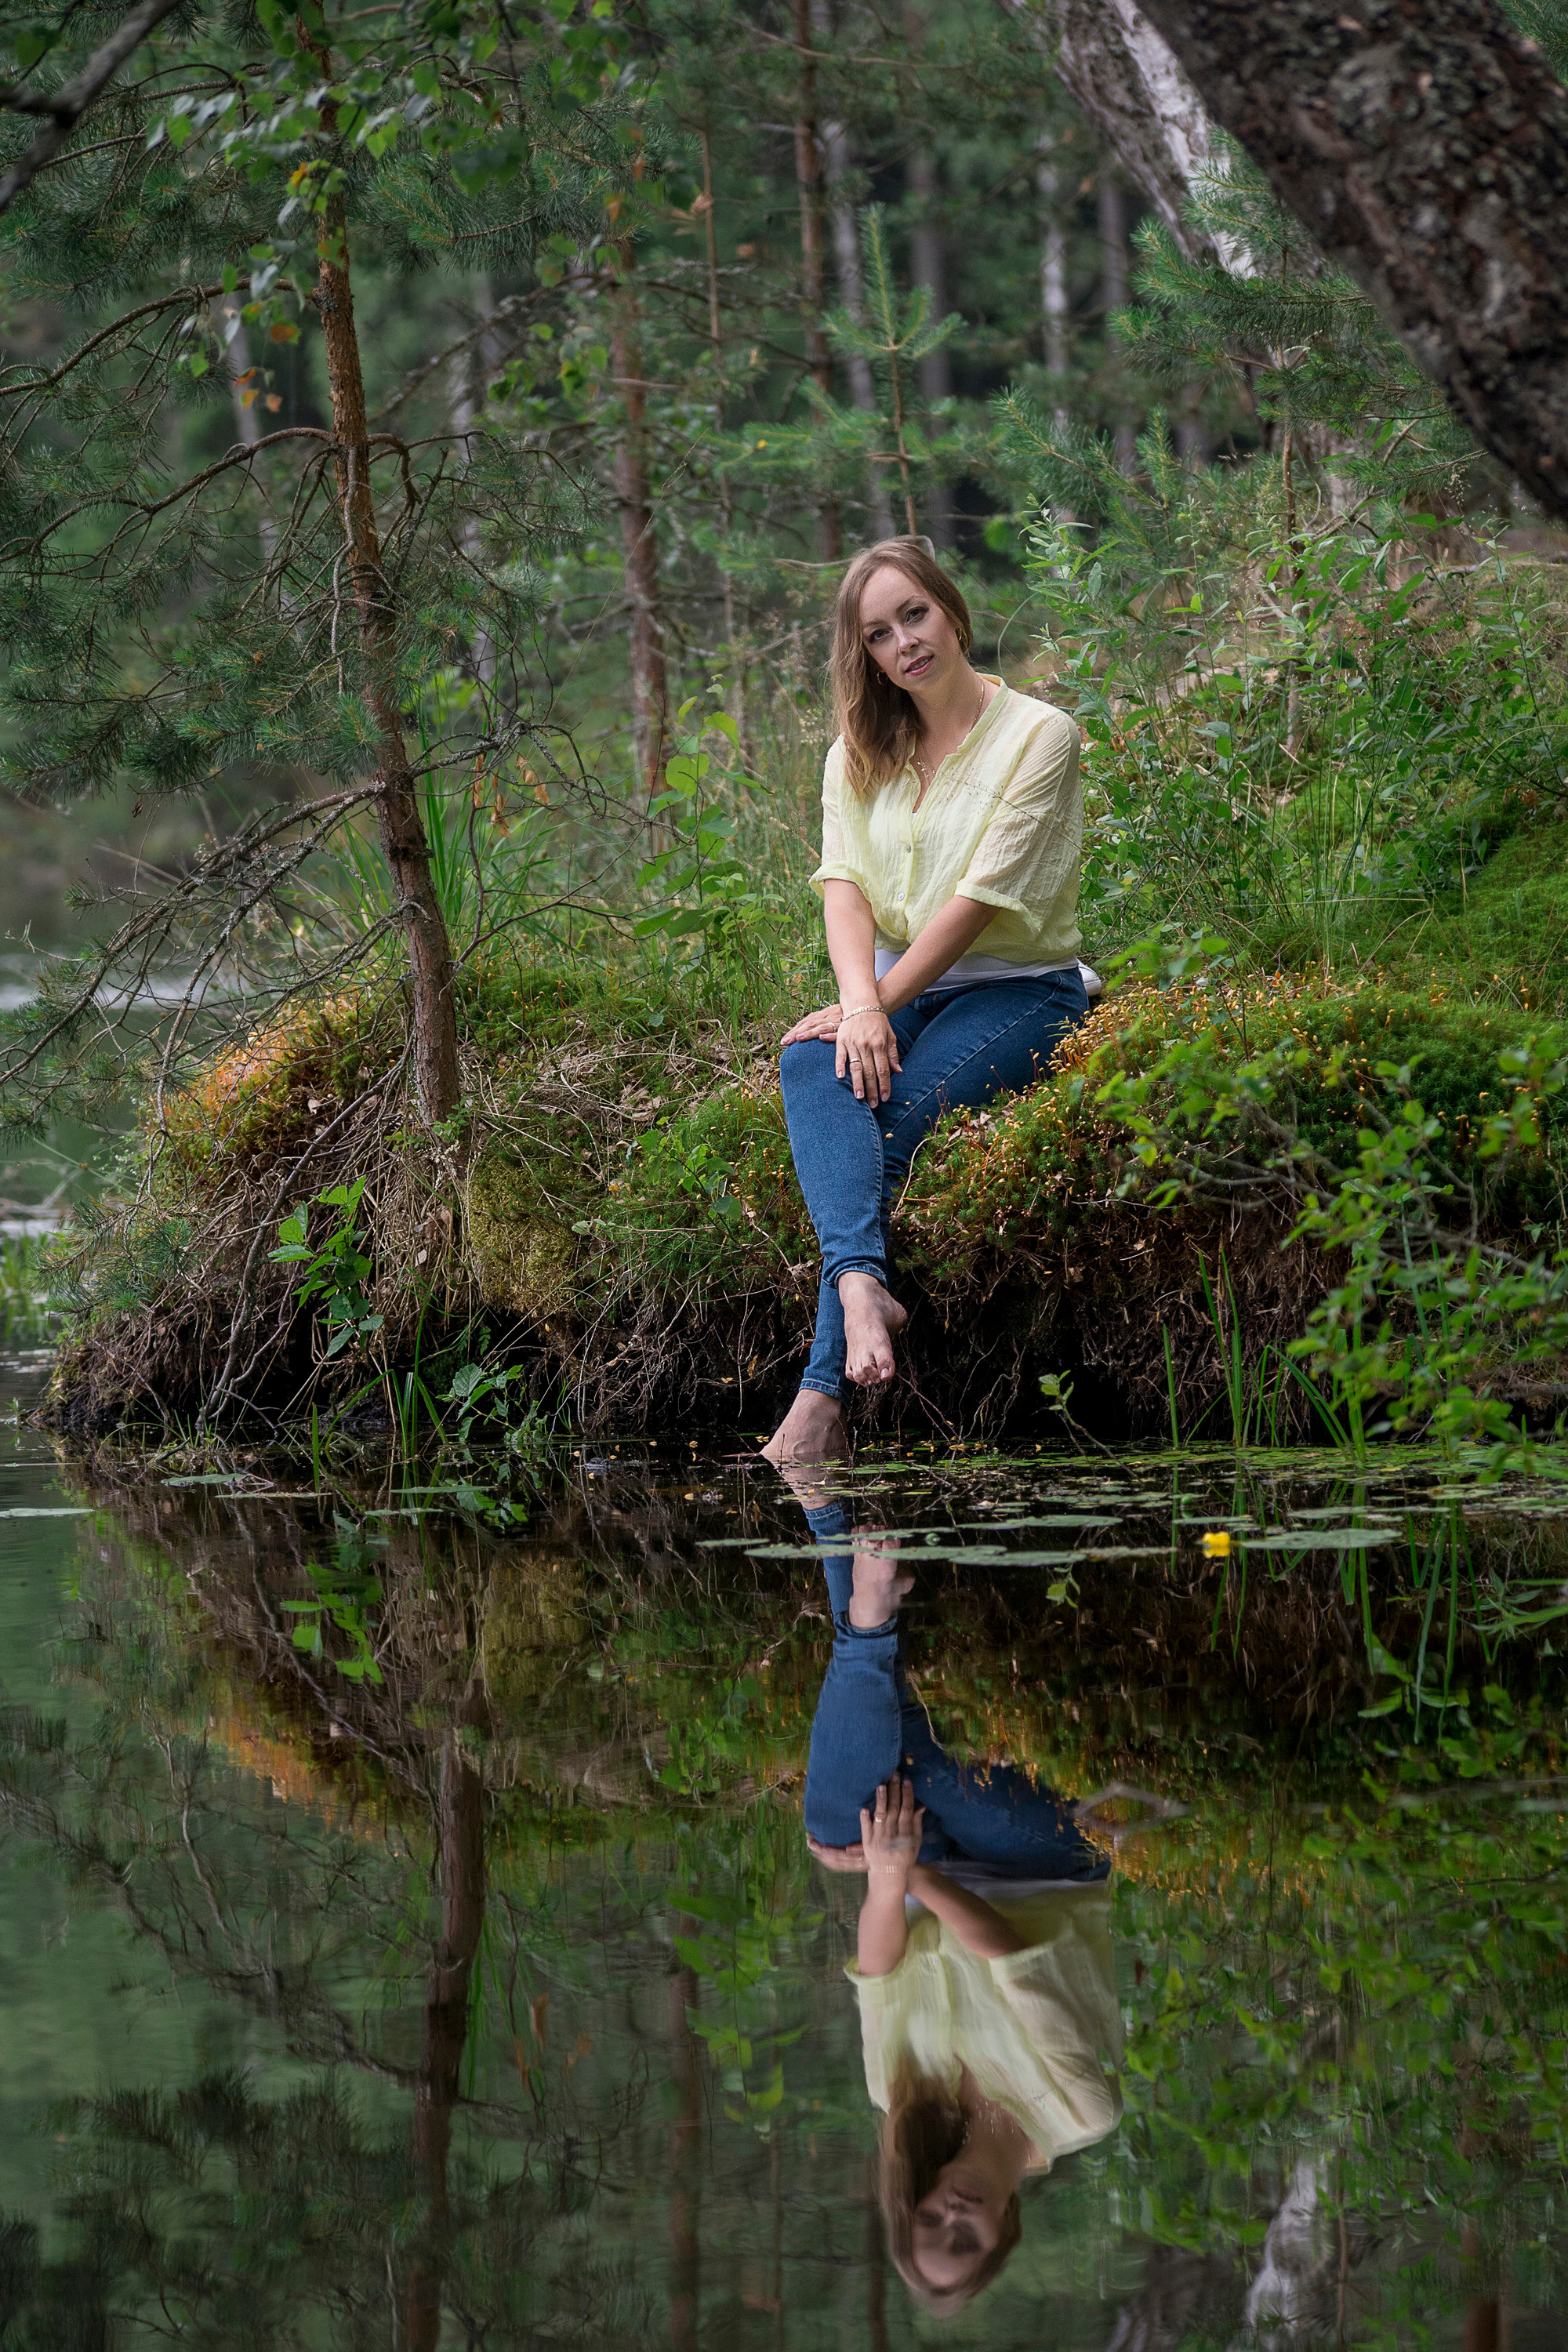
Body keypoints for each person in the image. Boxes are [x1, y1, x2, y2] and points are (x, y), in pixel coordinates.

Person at [763, 535, 1094, 1467]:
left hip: (1019, 987)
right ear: (862, 653)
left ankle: (820, 1398)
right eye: (877, 632)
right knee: (805, 1059)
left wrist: (871, 1008)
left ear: (950, 611)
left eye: (914, 614)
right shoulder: (857, 751)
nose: (903, 641)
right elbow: (844, 890)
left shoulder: (1039, 734)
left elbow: (977, 906)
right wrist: (856, 1002)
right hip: (897, 984)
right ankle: (864, 1288)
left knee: (890, 1115)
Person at [796, 1487, 1123, 2318]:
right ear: (1005, 2230)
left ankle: (863, 1587)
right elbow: (1010, 1951)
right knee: (920, 1766)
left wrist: (882, 1878)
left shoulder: (902, 2109)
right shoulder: (1081, 2112)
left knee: (836, 1818)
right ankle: (849, 1564)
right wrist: (907, 1876)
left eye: (928, 2220)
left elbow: (878, 1970)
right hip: (1043, 1864)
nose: (952, 2214)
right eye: (964, 2239)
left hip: (925, 1873)